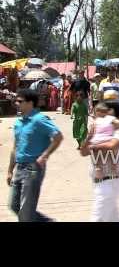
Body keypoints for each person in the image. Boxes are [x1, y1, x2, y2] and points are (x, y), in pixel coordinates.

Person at [7, 89, 63, 222]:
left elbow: (58, 137)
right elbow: (15, 148)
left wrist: (45, 155)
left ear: (30, 103)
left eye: (20, 101)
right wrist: (10, 170)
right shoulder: (19, 123)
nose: (16, 103)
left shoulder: (39, 120)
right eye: (16, 101)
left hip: (33, 169)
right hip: (19, 168)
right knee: (14, 205)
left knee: (26, 212)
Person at [80, 106, 119, 222]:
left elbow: (112, 146)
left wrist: (93, 146)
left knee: (97, 218)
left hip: (109, 182)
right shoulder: (96, 128)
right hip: (99, 183)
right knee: (113, 219)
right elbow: (83, 152)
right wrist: (89, 137)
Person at [89, 103, 119, 180]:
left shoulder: (95, 121)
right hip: (108, 141)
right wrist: (115, 128)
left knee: (97, 160)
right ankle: (114, 170)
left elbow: (91, 133)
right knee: (113, 156)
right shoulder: (110, 119)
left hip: (97, 143)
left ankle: (98, 171)